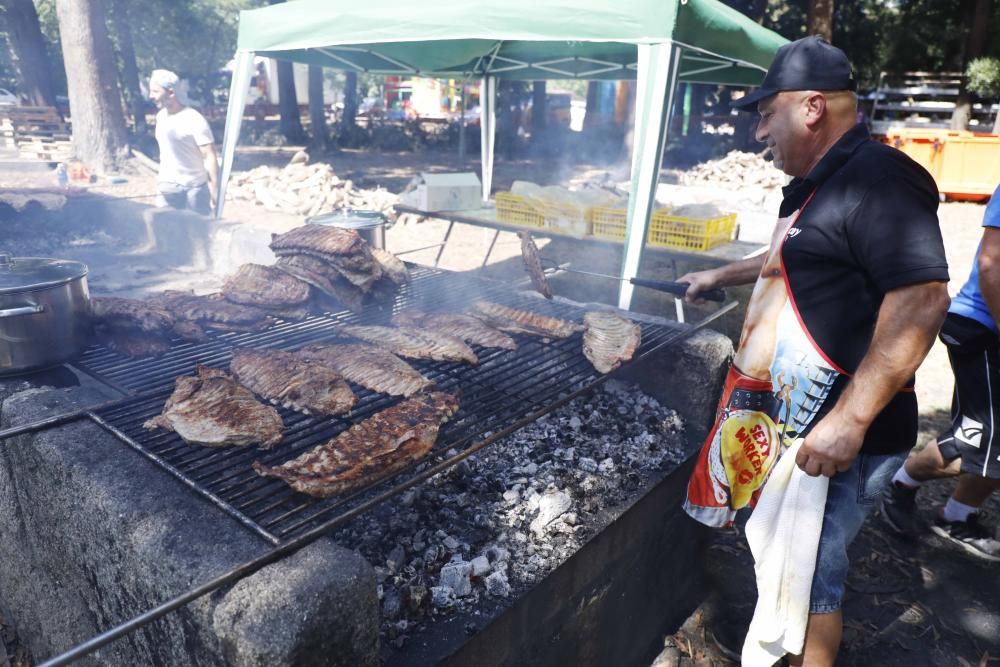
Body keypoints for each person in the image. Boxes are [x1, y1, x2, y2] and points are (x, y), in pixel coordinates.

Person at [679, 36, 950, 665]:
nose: (757, 132)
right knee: (785, 565)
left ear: (809, 108)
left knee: (811, 580)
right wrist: (718, 277)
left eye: (765, 113)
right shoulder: (811, 185)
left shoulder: (879, 178)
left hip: (842, 437)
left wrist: (850, 423)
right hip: (797, 425)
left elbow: (922, 300)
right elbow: (794, 256)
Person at [881, 184, 1000, 561]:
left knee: (993, 443)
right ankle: (898, 487)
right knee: (975, 441)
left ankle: (957, 516)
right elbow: (991, 265)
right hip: (983, 328)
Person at [149, 69, 219, 215]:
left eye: (155, 91)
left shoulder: (193, 119)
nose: (151, 96)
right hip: (167, 187)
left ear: (171, 93)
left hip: (194, 189)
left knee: (198, 233)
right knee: (164, 231)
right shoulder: (161, 117)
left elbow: (210, 154)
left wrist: (215, 188)